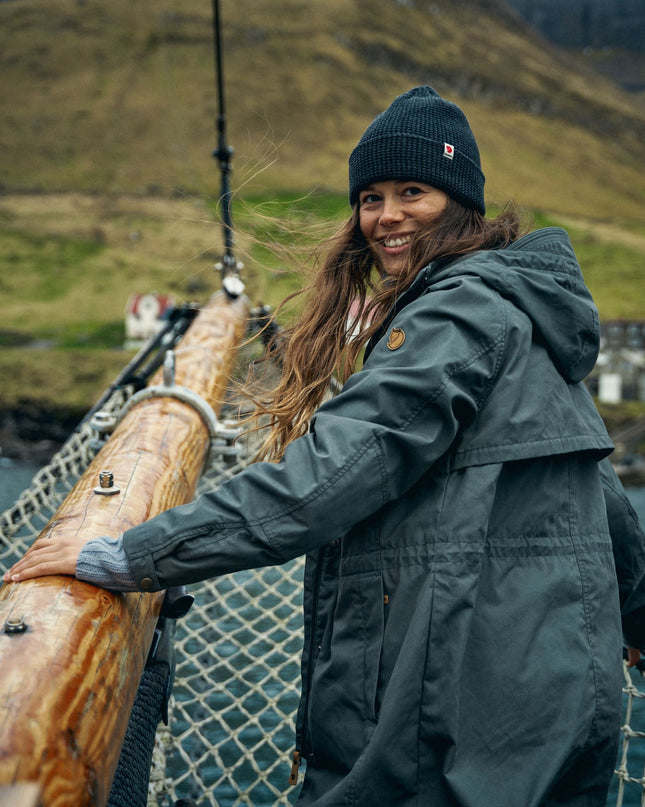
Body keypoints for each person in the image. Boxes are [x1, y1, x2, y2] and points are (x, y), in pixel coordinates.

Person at [5, 86, 645, 806]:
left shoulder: (458, 312)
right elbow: (599, 488)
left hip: (459, 727)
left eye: (412, 191)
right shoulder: (519, 310)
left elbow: (331, 472)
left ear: (460, 200)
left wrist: (133, 554)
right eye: (369, 197)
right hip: (549, 710)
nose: (386, 215)